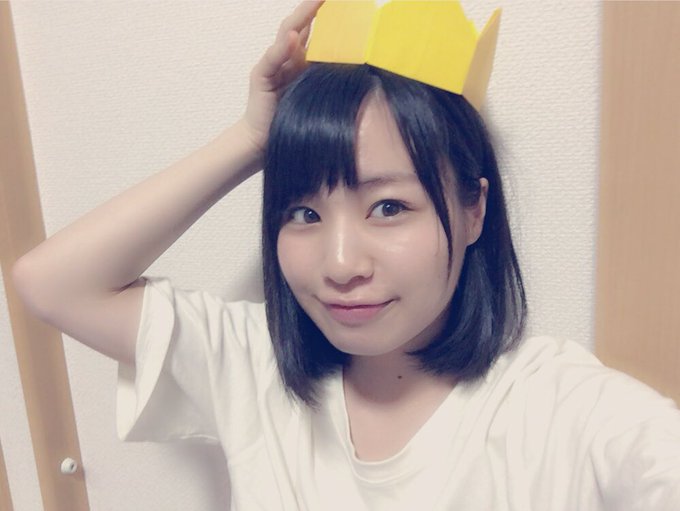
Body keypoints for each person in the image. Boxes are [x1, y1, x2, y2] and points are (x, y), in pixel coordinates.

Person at [12, 1, 680, 510]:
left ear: (474, 209)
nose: (338, 263)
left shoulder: (555, 405)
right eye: (303, 213)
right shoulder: (252, 366)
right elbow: (49, 283)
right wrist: (252, 139)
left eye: (388, 207)